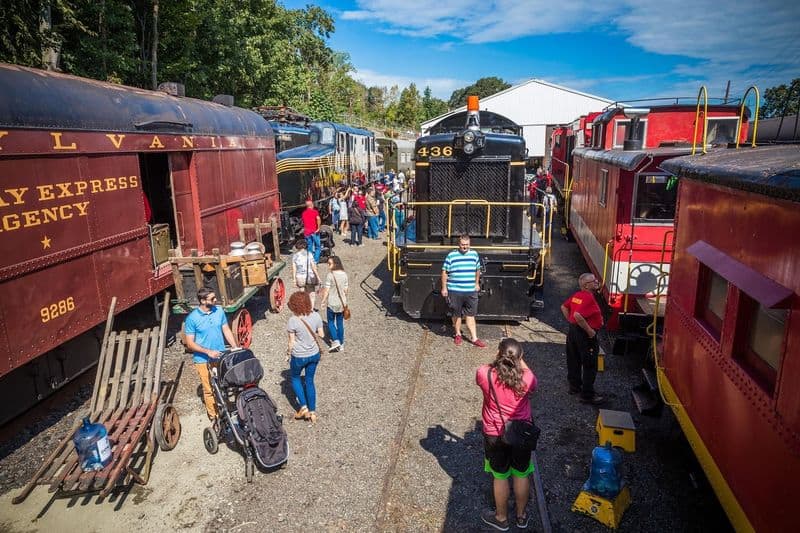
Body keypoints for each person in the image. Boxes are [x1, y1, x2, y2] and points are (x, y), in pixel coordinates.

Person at [476, 338, 537, 531]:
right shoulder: (527, 378)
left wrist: (500, 358)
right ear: (520, 358)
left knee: (500, 476)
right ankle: (521, 516)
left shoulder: (484, 374)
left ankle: (501, 518)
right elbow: (530, 377)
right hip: (521, 433)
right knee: (521, 473)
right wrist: (519, 360)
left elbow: (489, 368)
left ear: (498, 354)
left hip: (494, 432)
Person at [184, 287, 239, 421]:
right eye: (212, 299)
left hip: (220, 355)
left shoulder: (219, 311)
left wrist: (235, 347)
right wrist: (208, 352)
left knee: (225, 384)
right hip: (202, 359)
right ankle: (214, 416)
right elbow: (189, 343)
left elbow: (226, 329)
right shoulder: (192, 319)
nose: (216, 300)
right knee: (209, 389)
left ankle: (225, 407)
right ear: (203, 301)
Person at [560, 273, 605, 404]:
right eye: (593, 280)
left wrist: (571, 321)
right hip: (584, 335)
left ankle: (574, 387)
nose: (597, 282)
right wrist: (590, 331)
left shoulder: (577, 296)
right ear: (586, 285)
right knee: (590, 364)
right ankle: (587, 395)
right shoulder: (588, 298)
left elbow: (563, 307)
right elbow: (579, 315)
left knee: (573, 359)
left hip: (573, 332)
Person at [441, 235, 487, 348]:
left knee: (471, 315)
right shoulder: (451, 255)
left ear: (469, 244)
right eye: (463, 244)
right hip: (454, 290)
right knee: (456, 314)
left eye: (467, 245)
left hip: (470, 291)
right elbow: (444, 272)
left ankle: (474, 338)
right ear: (459, 244)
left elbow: (477, 270)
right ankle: (457, 334)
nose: (465, 247)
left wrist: (476, 283)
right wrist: (444, 288)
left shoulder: (474, 254)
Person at [286, 291, 325, 423]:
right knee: (309, 381)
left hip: (299, 355)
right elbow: (322, 335)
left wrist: (288, 353)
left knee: (296, 378)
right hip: (314, 354)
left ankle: (304, 407)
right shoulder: (316, 316)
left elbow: (291, 342)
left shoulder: (293, 320)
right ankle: (313, 412)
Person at [319, 255, 348, 353]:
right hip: (342, 304)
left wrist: (323, 301)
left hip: (331, 303)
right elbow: (346, 290)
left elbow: (326, 291)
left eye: (329, 263)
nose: (328, 266)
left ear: (335, 264)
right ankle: (342, 343)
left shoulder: (330, 275)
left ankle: (336, 341)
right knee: (340, 324)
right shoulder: (344, 274)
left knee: (331, 322)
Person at [291, 239, 320, 309]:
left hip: (300, 278)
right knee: (311, 294)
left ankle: (304, 309)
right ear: (305, 246)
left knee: (302, 295)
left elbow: (294, 269)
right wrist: (318, 277)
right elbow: (313, 267)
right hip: (309, 277)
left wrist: (294, 279)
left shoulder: (295, 256)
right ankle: (311, 310)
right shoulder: (309, 254)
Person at [301, 198, 322, 264]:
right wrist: (318, 228)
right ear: (311, 205)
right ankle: (315, 261)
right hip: (314, 232)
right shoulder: (315, 212)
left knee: (309, 247)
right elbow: (318, 219)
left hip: (307, 232)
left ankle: (310, 261)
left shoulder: (303, 213)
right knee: (318, 246)